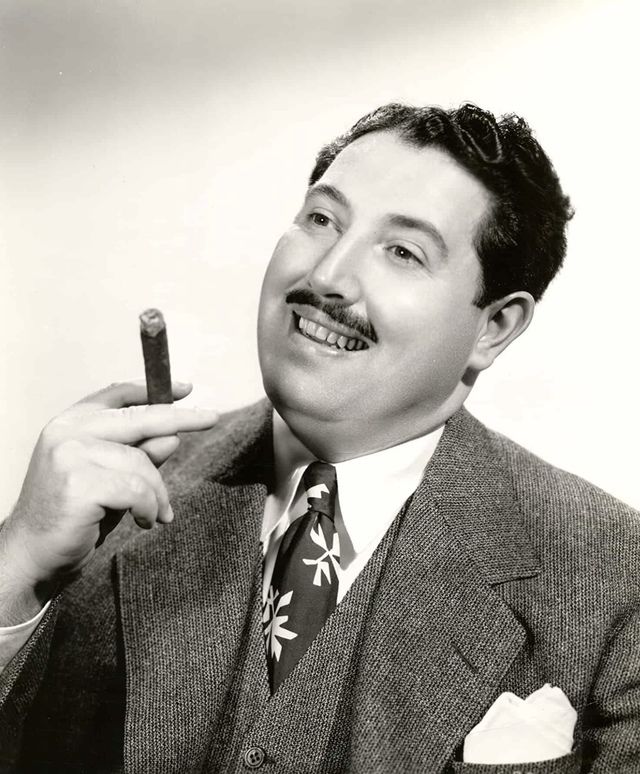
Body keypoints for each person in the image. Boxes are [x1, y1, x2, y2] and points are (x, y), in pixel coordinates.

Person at [0, 103, 638, 773]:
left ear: (494, 327)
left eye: (403, 252)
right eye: (322, 219)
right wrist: (15, 570)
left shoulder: (618, 578)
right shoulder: (105, 501)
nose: (327, 276)